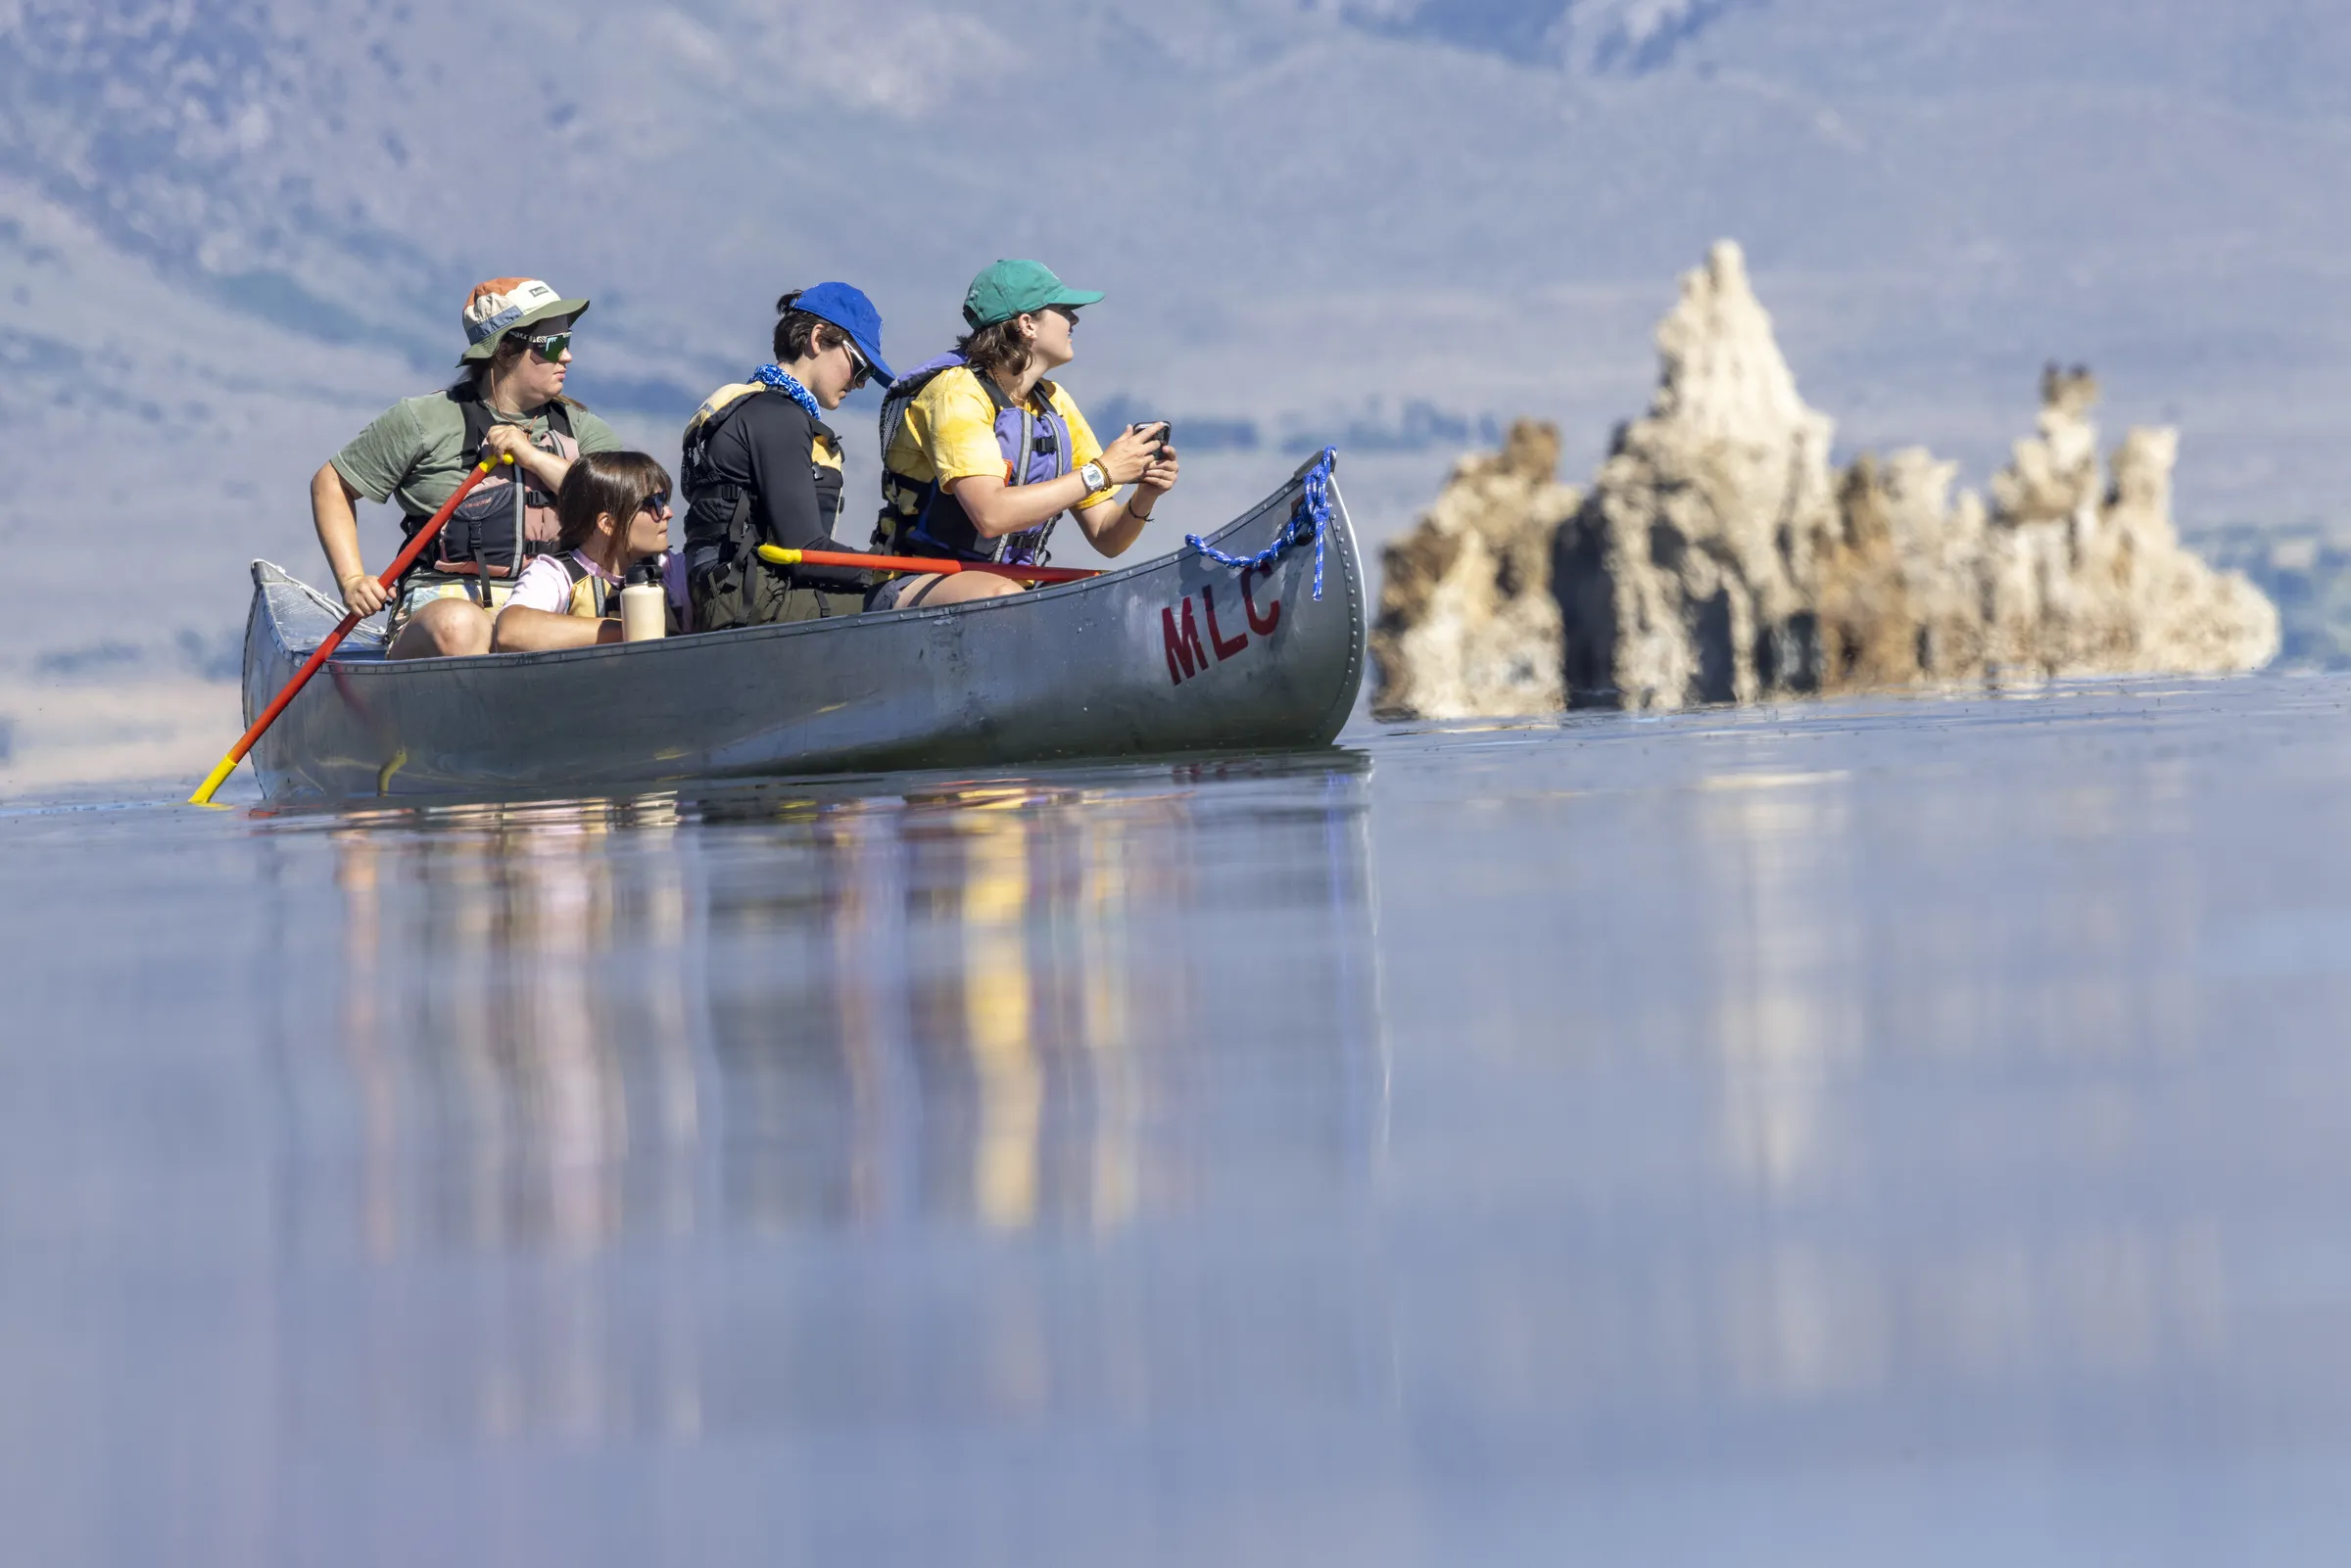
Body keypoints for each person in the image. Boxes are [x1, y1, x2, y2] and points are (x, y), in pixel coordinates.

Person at [312, 278, 621, 657]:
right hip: (445, 609)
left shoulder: (582, 429)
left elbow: (620, 505)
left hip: (551, 605)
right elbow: (331, 484)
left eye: (568, 341)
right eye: (553, 344)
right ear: (506, 349)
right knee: (462, 625)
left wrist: (533, 457)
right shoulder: (422, 419)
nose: (567, 356)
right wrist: (353, 579)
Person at [871, 259, 1177, 608]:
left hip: (1011, 596)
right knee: (1005, 600)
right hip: (914, 584)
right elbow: (991, 516)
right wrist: (1100, 473)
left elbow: (1107, 537)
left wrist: (1145, 496)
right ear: (1027, 324)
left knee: (1110, 601)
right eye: (1064, 309)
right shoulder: (956, 393)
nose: (1074, 320)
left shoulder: (1055, 403)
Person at [679, 283, 895, 631]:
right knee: (902, 599)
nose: (860, 384)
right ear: (818, 337)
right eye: (860, 367)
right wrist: (897, 566)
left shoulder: (755, 404)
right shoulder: (779, 417)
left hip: (729, 591)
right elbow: (806, 552)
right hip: (748, 599)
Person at [491, 451, 686, 651]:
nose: (669, 513)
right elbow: (510, 631)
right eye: (655, 504)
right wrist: (630, 630)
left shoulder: (672, 568)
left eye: (665, 500)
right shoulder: (556, 574)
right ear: (608, 524)